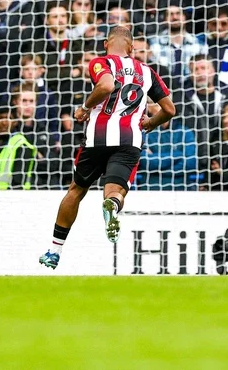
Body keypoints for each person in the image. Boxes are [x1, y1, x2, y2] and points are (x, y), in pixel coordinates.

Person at [39, 26, 175, 269]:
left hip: (97, 139)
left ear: (105, 44)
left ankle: (54, 251)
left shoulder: (101, 62)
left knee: (76, 191)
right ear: (132, 48)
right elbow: (170, 109)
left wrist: (84, 108)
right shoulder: (147, 71)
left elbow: (105, 86)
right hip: (129, 140)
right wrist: (150, 123)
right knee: (114, 192)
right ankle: (112, 206)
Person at [0, 106, 36, 190]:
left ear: (15, 122)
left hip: (16, 198)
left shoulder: (22, 145)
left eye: (9, 118)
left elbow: (19, 182)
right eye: (0, 118)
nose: (4, 122)